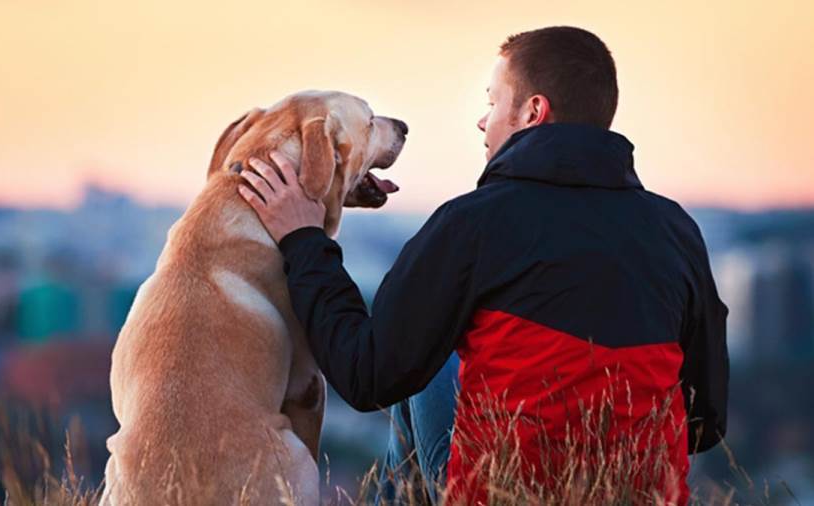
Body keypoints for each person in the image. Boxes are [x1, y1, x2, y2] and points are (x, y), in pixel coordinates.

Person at [237, 26, 729, 505]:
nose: (482, 121)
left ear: (534, 111)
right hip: (639, 494)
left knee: (424, 358)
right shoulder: (676, 231)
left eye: (493, 103)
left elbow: (367, 376)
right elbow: (705, 418)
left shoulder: (473, 222)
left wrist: (303, 239)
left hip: (503, 494)